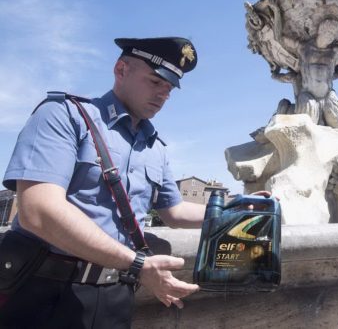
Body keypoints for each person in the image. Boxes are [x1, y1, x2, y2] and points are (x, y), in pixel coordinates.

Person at [0, 37, 269, 328]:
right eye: (155, 82)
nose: (162, 95)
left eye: (168, 89)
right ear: (121, 69)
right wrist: (137, 263)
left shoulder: (156, 147)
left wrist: (237, 210)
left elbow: (173, 212)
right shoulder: (65, 115)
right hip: (44, 288)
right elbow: (38, 211)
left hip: (116, 294)